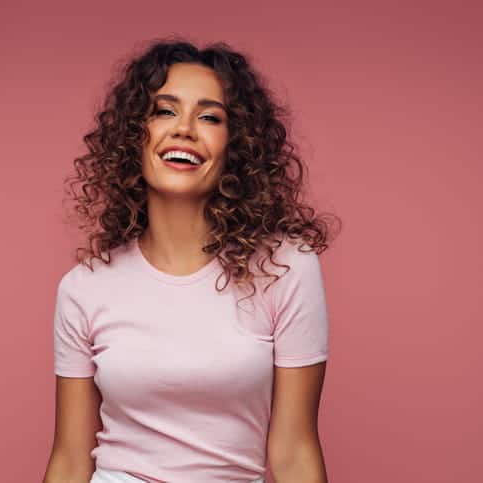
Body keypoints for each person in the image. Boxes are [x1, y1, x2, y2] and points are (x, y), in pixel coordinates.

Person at [43, 38, 341, 483]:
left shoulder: (285, 268)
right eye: (164, 110)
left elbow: (295, 450)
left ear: (237, 148)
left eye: (209, 117)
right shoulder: (83, 288)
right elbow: (70, 459)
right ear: (132, 138)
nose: (183, 128)